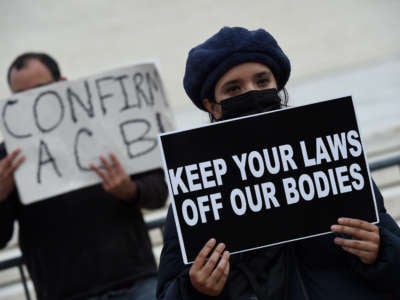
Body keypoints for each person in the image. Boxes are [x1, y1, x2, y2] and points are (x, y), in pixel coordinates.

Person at [156, 27, 400, 299]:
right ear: (212, 106)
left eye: (262, 82)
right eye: (233, 88)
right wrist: (195, 290)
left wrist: (382, 251)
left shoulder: (334, 163)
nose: (252, 92)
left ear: (278, 87)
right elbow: (169, 292)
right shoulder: (197, 194)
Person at [0, 52, 168, 300]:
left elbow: (159, 193)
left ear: (63, 83)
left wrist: (130, 190)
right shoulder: (8, 158)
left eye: (39, 91)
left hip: (136, 281)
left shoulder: (108, 127)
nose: (32, 103)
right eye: (21, 97)